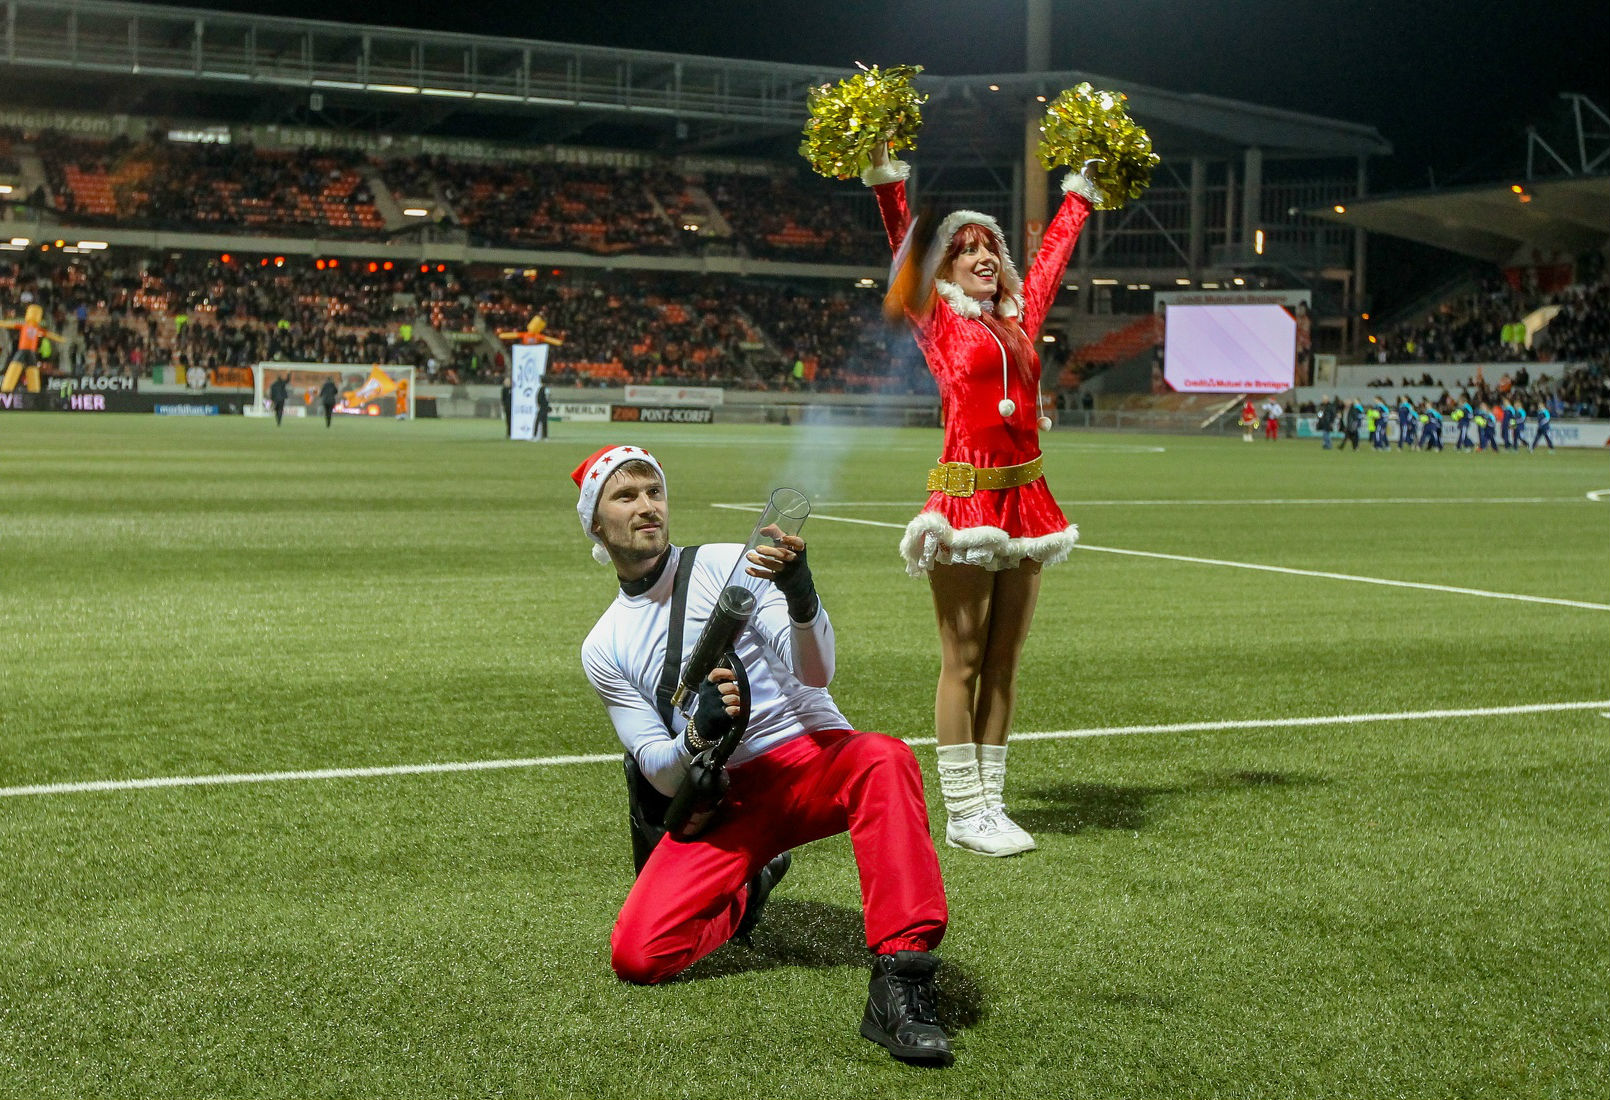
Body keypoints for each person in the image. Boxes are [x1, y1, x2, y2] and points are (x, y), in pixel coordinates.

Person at [575, 445, 954, 1065]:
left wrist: (802, 598)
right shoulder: (603, 645)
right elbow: (657, 768)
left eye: (654, 491)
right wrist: (697, 735)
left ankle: (901, 983)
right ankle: (750, 888)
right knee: (638, 956)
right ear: (595, 521)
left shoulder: (728, 564)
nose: (647, 506)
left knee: (886, 758)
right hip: (732, 798)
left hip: (813, 759)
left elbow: (817, 669)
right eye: (626, 496)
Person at [861, 140, 1098, 856]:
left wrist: (1078, 195)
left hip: (1028, 502)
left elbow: (1051, 256)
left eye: (990, 246)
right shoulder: (939, 319)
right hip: (965, 502)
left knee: (1004, 659)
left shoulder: (1019, 323)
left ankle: (992, 804)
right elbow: (903, 242)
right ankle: (963, 812)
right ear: (948, 269)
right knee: (960, 658)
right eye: (967, 249)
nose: (984, 256)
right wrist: (886, 179)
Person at [1, 304, 63, 396]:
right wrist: (59, 339)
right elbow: (49, 334)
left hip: (28, 351)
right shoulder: (28, 326)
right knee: (26, 368)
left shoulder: (33, 327)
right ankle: (10, 389)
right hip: (26, 351)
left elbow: (48, 334)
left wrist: (59, 339)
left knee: (26, 368)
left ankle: (10, 389)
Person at [500, 372, 513, 437]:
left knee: (512, 420)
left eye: (508, 381)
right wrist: (504, 406)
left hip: (512, 407)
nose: (507, 382)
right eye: (506, 381)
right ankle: (508, 433)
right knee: (508, 421)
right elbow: (503, 398)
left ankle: (512, 432)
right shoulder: (504, 389)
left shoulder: (513, 389)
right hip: (507, 407)